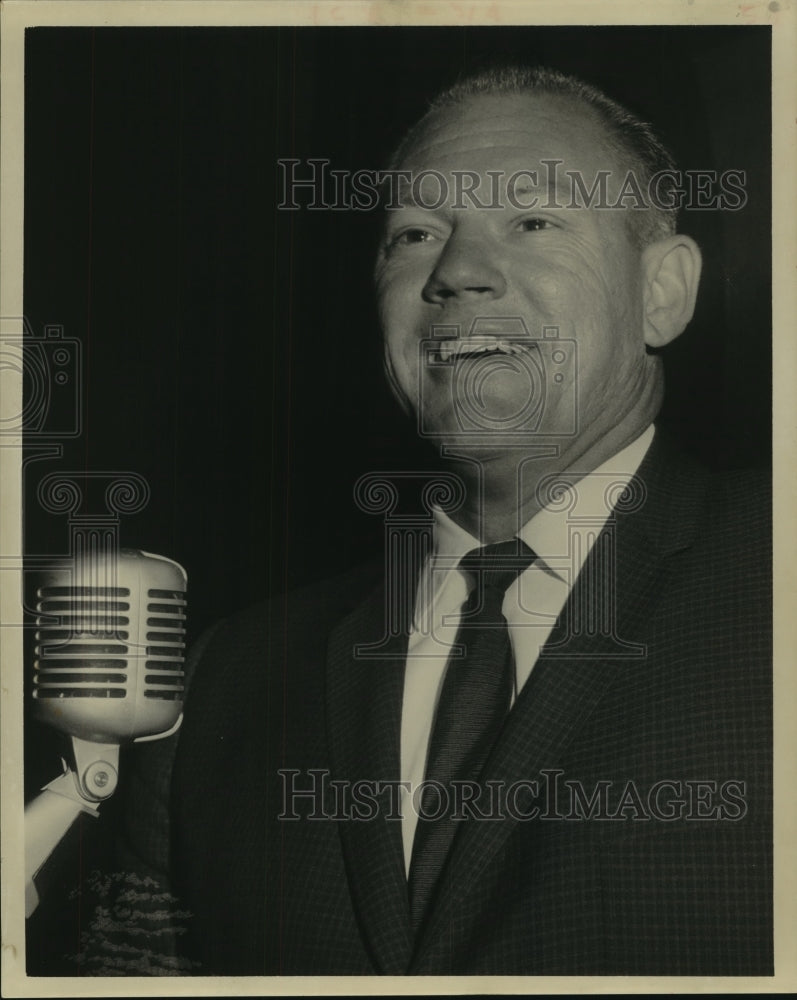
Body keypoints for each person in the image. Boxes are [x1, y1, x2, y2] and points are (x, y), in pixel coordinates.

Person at [101, 65, 772, 976]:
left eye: (532, 220)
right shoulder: (233, 676)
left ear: (662, 291)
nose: (455, 273)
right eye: (414, 234)